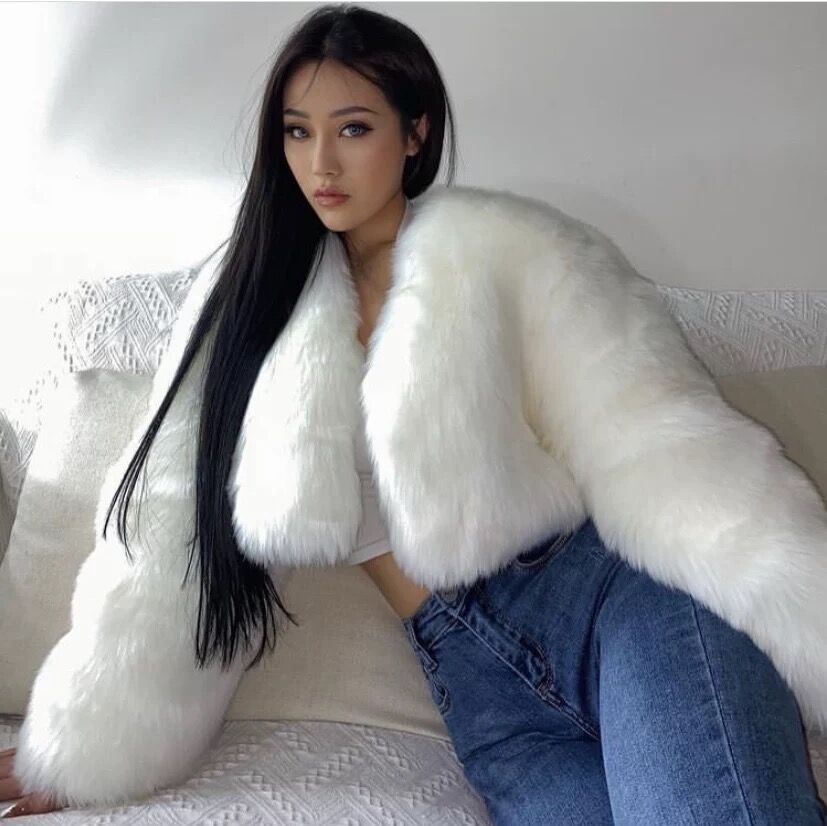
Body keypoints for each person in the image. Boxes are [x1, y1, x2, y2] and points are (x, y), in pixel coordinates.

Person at [2, 4, 827, 823]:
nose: (321, 162)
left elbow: (665, 442)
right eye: (297, 132)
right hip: (484, 697)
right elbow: (167, 529)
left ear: (414, 133)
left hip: (619, 605)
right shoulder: (247, 305)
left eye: (353, 129)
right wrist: (85, 751)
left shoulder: (510, 250)